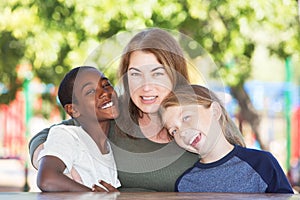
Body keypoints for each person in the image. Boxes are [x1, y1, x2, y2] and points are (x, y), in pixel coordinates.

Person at [29, 28, 241, 191]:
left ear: (175, 74)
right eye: (135, 74)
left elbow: (239, 162)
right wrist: (55, 163)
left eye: (157, 73)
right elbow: (48, 135)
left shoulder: (199, 113)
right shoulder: (113, 113)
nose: (146, 86)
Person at [159, 84, 294, 193]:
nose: (182, 132)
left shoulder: (263, 164)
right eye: (174, 130)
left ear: (215, 111)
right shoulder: (185, 183)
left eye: (186, 117)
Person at [36, 66, 121, 192]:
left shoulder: (109, 148)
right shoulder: (68, 135)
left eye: (106, 84)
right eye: (90, 91)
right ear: (74, 110)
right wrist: (92, 195)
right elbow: (46, 179)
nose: (104, 93)